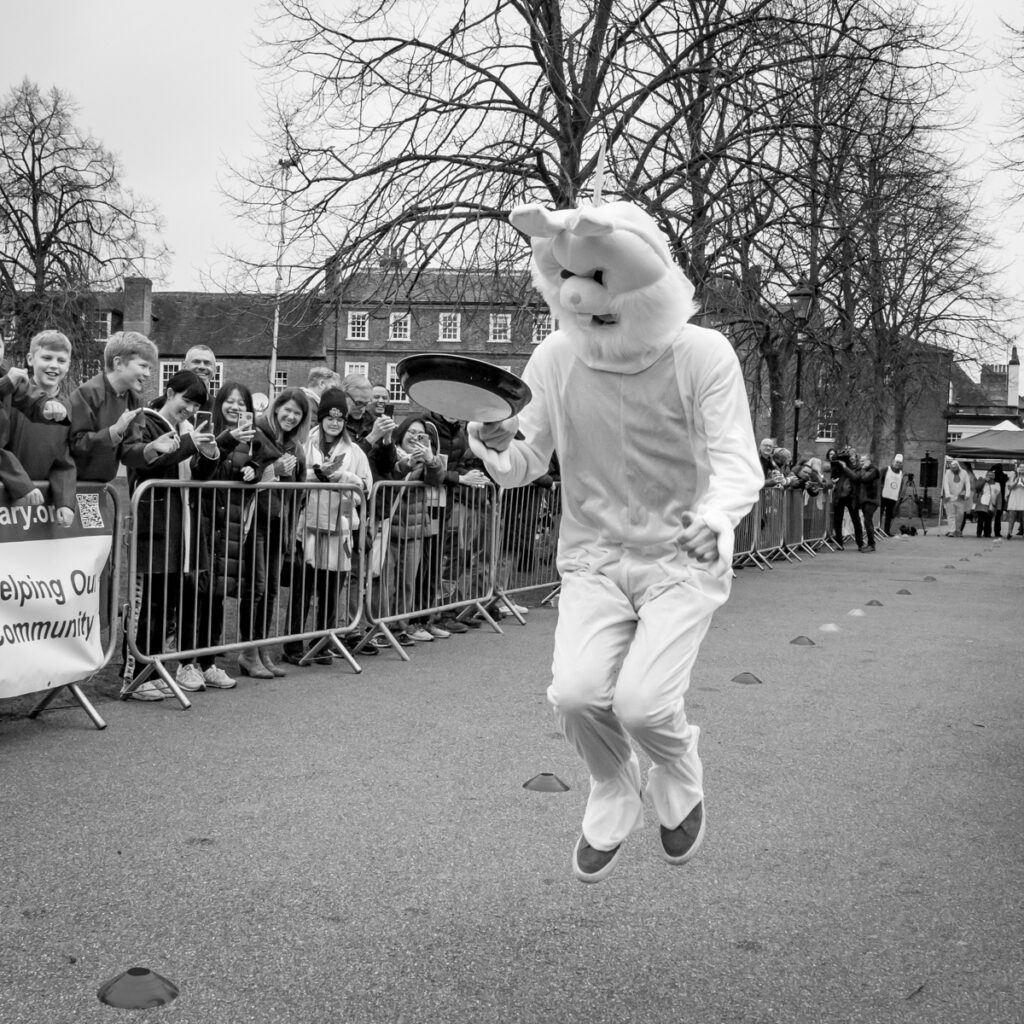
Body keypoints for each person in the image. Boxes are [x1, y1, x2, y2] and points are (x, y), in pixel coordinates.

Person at [469, 200, 762, 883]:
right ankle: (611, 780)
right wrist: (496, 443)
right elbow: (524, 462)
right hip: (595, 557)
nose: (586, 306)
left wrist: (717, 517)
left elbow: (736, 459)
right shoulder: (556, 357)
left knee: (643, 703)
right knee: (573, 696)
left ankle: (678, 763)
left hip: (679, 558)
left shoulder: (703, 354)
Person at [119, 370, 221, 700]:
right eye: (186, 401)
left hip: (181, 527)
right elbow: (148, 463)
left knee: (165, 606)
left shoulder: (186, 429)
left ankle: (154, 666)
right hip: (153, 524)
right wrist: (191, 444)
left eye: (196, 405)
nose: (189, 409)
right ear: (170, 392)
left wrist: (208, 455)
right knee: (147, 603)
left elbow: (197, 477)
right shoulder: (145, 420)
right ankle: (133, 675)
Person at [175, 381, 263, 691]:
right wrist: (226, 440)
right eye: (230, 401)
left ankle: (209, 662)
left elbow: (254, 466)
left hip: (231, 526)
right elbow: (203, 470)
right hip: (202, 519)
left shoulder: (251, 439)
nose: (236, 407)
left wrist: (255, 471)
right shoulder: (207, 431)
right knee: (194, 593)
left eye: (242, 402)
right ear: (220, 403)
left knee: (216, 595)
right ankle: (186, 663)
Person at [283, 388, 371, 665]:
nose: (334, 423)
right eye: (329, 418)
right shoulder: (305, 445)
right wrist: (316, 474)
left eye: (340, 419)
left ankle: (323, 642)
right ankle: (292, 644)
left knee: (332, 590)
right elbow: (292, 475)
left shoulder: (355, 450)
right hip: (308, 524)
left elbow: (366, 486)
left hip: (340, 527)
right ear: (321, 418)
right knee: (303, 588)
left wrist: (345, 477)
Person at [236, 388, 310, 678]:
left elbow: (299, 492)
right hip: (256, 522)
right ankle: (247, 652)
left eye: (297, 413)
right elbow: (244, 475)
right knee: (256, 586)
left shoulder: (295, 447)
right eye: (287, 410)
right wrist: (274, 469)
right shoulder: (256, 434)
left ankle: (261, 649)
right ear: (276, 408)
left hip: (281, 524)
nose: (291, 417)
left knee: (271, 589)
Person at [386, 416, 448, 646]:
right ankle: (381, 627)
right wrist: (408, 464)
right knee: (386, 582)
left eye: (421, 434)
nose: (415, 437)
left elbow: (437, 479)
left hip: (414, 531)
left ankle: (400, 627)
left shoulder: (425, 460)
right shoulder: (391, 453)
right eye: (411, 431)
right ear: (402, 433)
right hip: (390, 527)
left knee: (407, 582)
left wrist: (430, 459)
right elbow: (389, 475)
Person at [1, 331, 75, 522]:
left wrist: (65, 502)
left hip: (35, 510)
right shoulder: (10, 396)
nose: (53, 365)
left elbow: (62, 460)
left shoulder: (67, 408)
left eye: (61, 360)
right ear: (30, 359)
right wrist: (20, 486)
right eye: (47, 358)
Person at [68, 331, 156, 483]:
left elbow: (128, 453)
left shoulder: (134, 400)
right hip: (74, 485)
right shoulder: (86, 394)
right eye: (143, 366)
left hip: (100, 486)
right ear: (118, 363)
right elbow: (76, 445)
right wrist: (112, 433)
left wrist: (151, 449)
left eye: (149, 368)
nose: (148, 374)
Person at [829, 446, 862, 550]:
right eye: (849, 455)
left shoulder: (858, 467)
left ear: (856, 456)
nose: (851, 458)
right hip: (840, 495)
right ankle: (839, 543)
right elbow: (832, 460)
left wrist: (845, 467)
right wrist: (840, 455)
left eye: (852, 455)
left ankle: (860, 543)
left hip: (852, 496)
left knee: (856, 520)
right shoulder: (840, 465)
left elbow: (855, 478)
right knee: (837, 521)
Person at [854, 452, 880, 551]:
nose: (861, 463)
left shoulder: (874, 470)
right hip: (866, 500)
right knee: (867, 521)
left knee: (867, 521)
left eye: (863, 461)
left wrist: (863, 468)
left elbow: (864, 478)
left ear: (869, 461)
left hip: (871, 500)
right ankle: (871, 543)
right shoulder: (866, 469)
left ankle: (871, 544)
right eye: (860, 461)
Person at [182, 345, 218, 412]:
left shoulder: (220, 408)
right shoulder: (165, 406)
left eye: (207, 363)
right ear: (184, 367)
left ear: (215, 370)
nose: (202, 367)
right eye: (196, 362)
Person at [942, 459, 971, 537]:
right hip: (950, 497)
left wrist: (967, 494)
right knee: (950, 514)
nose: (953, 469)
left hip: (960, 497)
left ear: (958, 466)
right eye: (952, 468)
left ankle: (958, 530)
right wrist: (947, 494)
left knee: (960, 515)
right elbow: (945, 484)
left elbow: (967, 483)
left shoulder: (964, 473)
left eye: (955, 468)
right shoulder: (948, 472)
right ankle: (951, 531)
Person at [879, 453, 907, 534]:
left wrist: (899, 496)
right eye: (896, 462)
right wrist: (880, 490)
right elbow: (879, 480)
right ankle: (876, 530)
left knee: (889, 515)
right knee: (879, 514)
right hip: (883, 496)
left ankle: (886, 532)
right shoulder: (885, 469)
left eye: (900, 463)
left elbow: (900, 485)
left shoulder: (901, 473)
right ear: (893, 462)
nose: (898, 464)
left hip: (893, 497)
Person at [973, 469, 1000, 538]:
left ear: (994, 477)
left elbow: (999, 496)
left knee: (988, 520)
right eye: (988, 475)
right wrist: (984, 480)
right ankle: (979, 533)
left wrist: (999, 506)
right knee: (980, 520)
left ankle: (987, 533)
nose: (990, 477)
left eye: (991, 475)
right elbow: (977, 487)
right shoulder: (982, 482)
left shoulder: (997, 484)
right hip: (982, 504)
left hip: (991, 505)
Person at [1004, 460, 1024, 538]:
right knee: (1011, 516)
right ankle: (1009, 533)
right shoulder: (1013, 475)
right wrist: (1017, 481)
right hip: (1014, 497)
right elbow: (1010, 487)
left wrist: (1022, 481)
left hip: (1023, 497)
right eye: (1020, 467)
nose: (1021, 469)